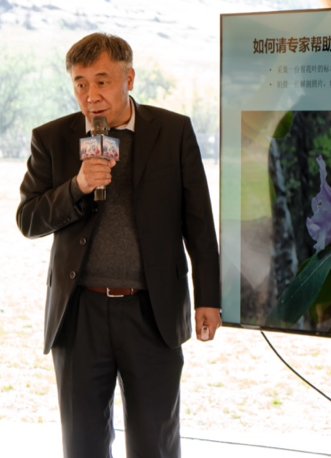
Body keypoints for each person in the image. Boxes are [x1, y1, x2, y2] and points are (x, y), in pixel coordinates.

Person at [16, 32, 222, 458]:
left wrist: (209, 298)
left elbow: (199, 223)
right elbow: (29, 220)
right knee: (83, 445)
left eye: (102, 81)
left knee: (155, 443)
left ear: (129, 78)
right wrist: (77, 186)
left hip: (152, 311)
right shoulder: (51, 138)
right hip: (80, 314)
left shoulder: (173, 131)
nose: (91, 95)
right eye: (80, 83)